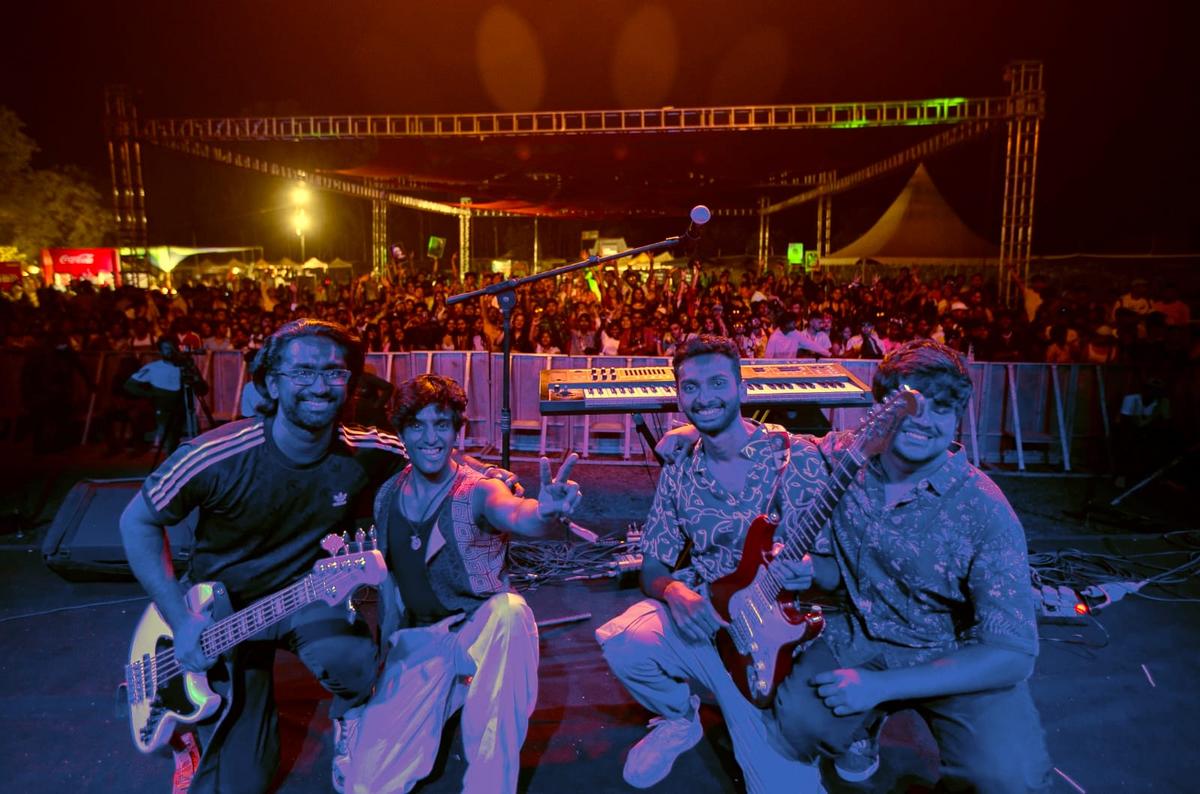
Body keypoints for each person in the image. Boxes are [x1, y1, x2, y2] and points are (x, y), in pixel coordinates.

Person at [119, 320, 515, 794]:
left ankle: (350, 718)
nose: (321, 386)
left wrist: (495, 480)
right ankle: (191, 739)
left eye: (334, 372)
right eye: (302, 372)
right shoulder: (215, 455)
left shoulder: (362, 448)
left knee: (353, 662)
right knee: (241, 785)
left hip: (308, 600)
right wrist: (181, 621)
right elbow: (135, 521)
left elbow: (438, 455)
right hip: (222, 616)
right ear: (269, 382)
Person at [656, 339, 1051, 792]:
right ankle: (860, 733)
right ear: (882, 410)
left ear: (957, 416)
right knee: (797, 725)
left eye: (941, 410)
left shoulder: (986, 510)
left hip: (952, 655)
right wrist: (702, 434)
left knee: (1009, 779)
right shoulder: (851, 454)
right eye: (910, 406)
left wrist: (880, 688)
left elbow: (1013, 655)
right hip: (858, 638)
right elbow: (782, 442)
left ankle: (875, 716)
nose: (923, 423)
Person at [595, 335, 823, 792]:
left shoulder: (795, 458)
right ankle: (680, 718)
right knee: (622, 641)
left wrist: (811, 568)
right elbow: (653, 566)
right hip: (710, 627)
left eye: (718, 383)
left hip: (776, 641)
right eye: (690, 388)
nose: (704, 398)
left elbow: (840, 554)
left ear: (742, 389)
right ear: (679, 396)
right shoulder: (681, 470)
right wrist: (673, 591)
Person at [343, 374, 581, 794]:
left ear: (458, 430)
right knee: (365, 785)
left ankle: (489, 784)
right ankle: (450, 694)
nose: (431, 437)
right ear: (402, 432)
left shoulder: (478, 490)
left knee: (510, 612)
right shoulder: (386, 497)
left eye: (442, 424)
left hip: (479, 633)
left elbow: (515, 512)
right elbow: (392, 594)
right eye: (417, 425)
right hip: (421, 642)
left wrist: (545, 512)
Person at [124, 335, 209, 458]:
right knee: (170, 442)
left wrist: (194, 375)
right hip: (164, 411)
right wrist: (151, 395)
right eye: (165, 348)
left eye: (172, 347)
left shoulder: (185, 366)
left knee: (195, 441)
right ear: (160, 350)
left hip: (185, 409)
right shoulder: (153, 367)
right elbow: (129, 385)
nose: (169, 351)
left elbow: (203, 390)